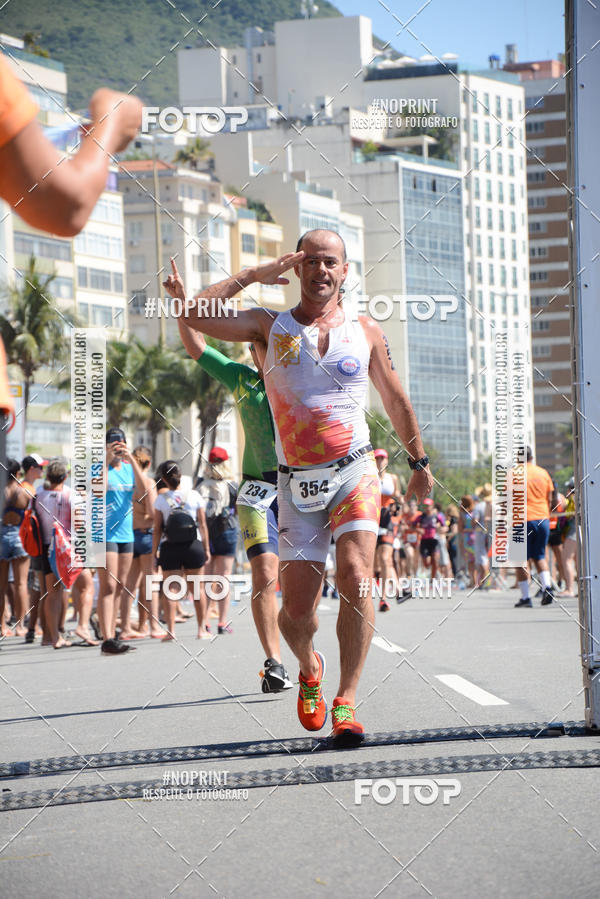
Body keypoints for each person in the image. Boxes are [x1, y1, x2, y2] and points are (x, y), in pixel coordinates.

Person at [163, 230, 432, 742]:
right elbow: (195, 315)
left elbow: (397, 401)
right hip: (294, 482)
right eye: (310, 261)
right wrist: (253, 276)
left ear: (345, 271)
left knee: (356, 575)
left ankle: (347, 702)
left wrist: (418, 461)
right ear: (298, 268)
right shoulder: (270, 326)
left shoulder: (366, 331)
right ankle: (310, 667)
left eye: (330, 262)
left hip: (355, 470)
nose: (321, 271)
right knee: (295, 611)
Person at [178, 319, 293, 691]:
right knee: (263, 574)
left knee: (298, 588)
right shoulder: (243, 379)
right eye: (260, 347)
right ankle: (274, 662)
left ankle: (306, 660)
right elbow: (197, 349)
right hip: (258, 490)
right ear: (252, 352)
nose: (267, 353)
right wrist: (182, 306)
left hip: (301, 490)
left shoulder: (300, 378)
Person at [97, 428, 150, 654]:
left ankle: (114, 635)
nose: (118, 447)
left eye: (121, 444)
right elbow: (97, 488)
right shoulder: (99, 468)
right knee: (108, 585)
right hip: (104, 533)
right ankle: (106, 637)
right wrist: (107, 459)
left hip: (126, 534)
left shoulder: (129, 469)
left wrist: (131, 459)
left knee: (120, 585)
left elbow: (144, 489)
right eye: (113, 444)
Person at [153, 461, 210, 641]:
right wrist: (206, 548)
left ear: (163, 479)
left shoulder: (161, 499)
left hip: (170, 546)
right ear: (180, 475)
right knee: (197, 588)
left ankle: (171, 631)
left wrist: (155, 552)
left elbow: (157, 528)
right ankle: (202, 630)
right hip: (193, 545)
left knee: (171, 589)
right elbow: (202, 524)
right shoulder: (194, 495)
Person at [122, 446, 162, 639]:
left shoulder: (126, 482)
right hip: (146, 535)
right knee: (150, 583)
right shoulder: (147, 482)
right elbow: (153, 513)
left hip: (129, 534)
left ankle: (134, 627)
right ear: (149, 463)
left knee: (130, 585)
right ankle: (153, 626)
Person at [198, 448, 239, 636]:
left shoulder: (200, 483)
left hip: (206, 532)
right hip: (227, 531)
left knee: (206, 579)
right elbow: (238, 510)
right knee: (223, 579)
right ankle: (222, 623)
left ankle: (205, 622)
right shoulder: (232, 485)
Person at [514, 446, 556, 608]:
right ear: (532, 457)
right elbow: (551, 498)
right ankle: (547, 586)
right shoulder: (543, 473)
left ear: (518, 457)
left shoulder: (514, 474)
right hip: (542, 518)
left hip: (522, 519)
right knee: (539, 556)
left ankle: (525, 597)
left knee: (520, 559)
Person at [0, 459, 30, 637]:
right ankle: (20, 626)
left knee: (1, 586)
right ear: (17, 474)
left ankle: (2, 625)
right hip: (19, 537)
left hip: (1, 536)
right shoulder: (23, 493)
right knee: (21, 584)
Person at [20, 454, 47, 642]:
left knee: (33, 585)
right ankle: (29, 625)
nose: (42, 471)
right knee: (31, 585)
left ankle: (31, 625)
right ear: (31, 469)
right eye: (40, 467)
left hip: (29, 542)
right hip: (28, 542)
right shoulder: (26, 489)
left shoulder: (31, 488)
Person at [373, 448, 401, 611]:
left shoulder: (393, 478)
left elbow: (398, 496)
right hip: (371, 519)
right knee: (372, 563)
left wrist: (398, 505)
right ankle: (398, 590)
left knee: (385, 559)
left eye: (383, 459)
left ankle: (383, 598)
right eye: (377, 458)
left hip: (387, 521)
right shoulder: (368, 477)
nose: (380, 461)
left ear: (387, 461)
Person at [418, 498, 445, 581]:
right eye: (425, 506)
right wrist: (418, 530)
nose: (427, 508)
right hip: (424, 541)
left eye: (428, 506)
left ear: (432, 506)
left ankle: (432, 579)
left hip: (434, 541)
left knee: (435, 560)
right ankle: (430, 569)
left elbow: (445, 527)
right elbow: (412, 526)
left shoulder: (437, 516)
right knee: (426, 563)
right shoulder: (421, 517)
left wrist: (440, 528)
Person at [458, 496, 476, 586]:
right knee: (477, 560)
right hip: (476, 537)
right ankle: (477, 580)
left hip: (467, 539)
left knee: (470, 561)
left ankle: (473, 581)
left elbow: (460, 529)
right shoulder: (475, 511)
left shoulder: (462, 513)